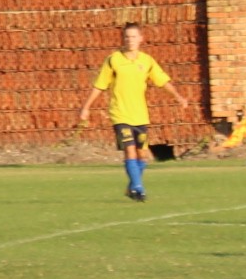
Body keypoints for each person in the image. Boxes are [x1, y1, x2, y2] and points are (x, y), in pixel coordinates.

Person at [77, 22, 192, 201]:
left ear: (140, 39)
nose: (130, 40)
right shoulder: (113, 60)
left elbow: (162, 80)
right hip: (120, 114)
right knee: (129, 150)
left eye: (133, 37)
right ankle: (138, 188)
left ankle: (131, 186)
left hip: (140, 115)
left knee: (142, 154)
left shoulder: (146, 61)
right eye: (127, 37)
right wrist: (86, 107)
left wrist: (178, 96)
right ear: (123, 39)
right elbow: (100, 85)